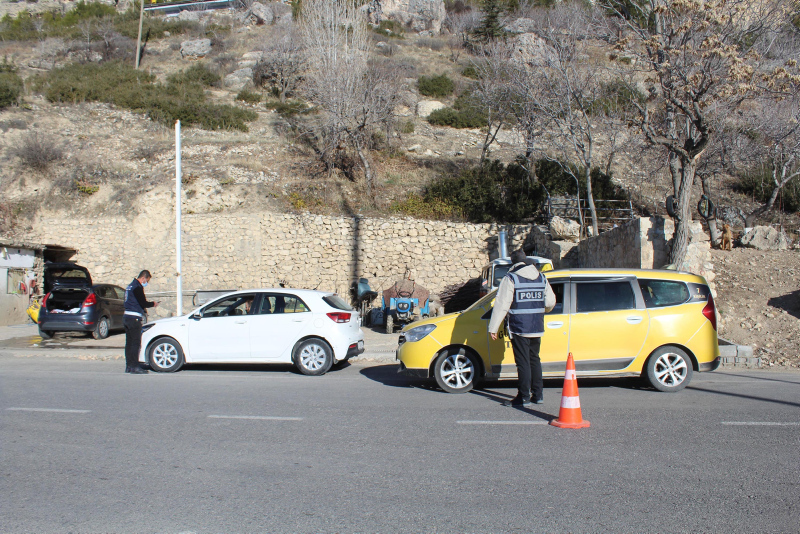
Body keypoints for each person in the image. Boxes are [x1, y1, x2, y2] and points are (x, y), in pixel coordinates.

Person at [488, 249, 556, 407]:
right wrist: (540, 310)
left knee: (523, 362)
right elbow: (550, 302)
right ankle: (538, 395)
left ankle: (524, 396)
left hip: (519, 327)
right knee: (535, 360)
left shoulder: (511, 278)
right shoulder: (541, 277)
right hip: (537, 325)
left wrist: (493, 327)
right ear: (525, 260)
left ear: (512, 262)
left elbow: (502, 304)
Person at [123, 270, 158, 374]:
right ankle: (134, 366)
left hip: (126, 317)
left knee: (128, 343)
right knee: (135, 343)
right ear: (143, 278)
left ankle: (128, 366)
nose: (146, 282)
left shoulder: (130, 286)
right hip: (134, 317)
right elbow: (143, 303)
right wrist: (153, 304)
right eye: (147, 280)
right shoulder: (137, 287)